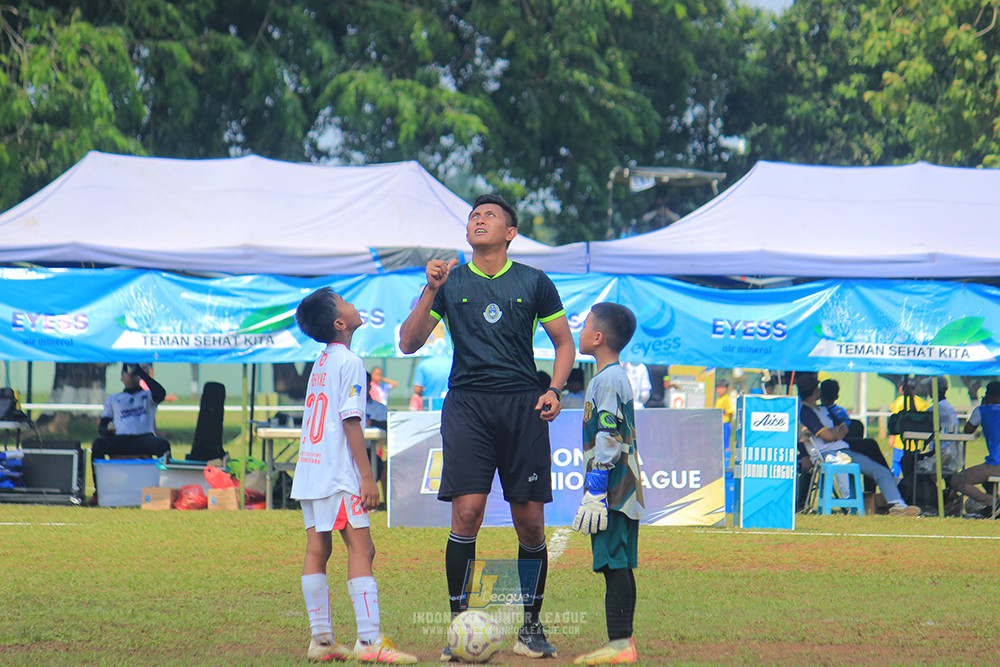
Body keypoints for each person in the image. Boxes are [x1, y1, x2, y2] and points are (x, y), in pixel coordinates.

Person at [398, 193, 575, 661]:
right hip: (468, 407)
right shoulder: (451, 282)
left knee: (530, 523)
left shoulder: (535, 281)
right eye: (474, 215)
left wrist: (554, 389)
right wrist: (430, 289)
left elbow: (564, 344)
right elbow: (409, 342)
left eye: (489, 215)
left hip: (523, 407)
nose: (479, 220)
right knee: (467, 515)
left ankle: (531, 629)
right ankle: (459, 630)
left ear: (510, 232)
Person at [291, 287, 416, 664]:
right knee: (363, 548)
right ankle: (369, 642)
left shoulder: (322, 360)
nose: (352, 304)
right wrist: (366, 476)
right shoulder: (349, 361)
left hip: (311, 470)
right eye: (345, 302)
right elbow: (351, 421)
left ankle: (322, 641)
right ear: (340, 323)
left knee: (318, 550)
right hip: (337, 474)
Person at [571, 303, 644, 665]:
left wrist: (597, 489)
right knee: (616, 562)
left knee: (614, 561)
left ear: (597, 337)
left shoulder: (609, 380)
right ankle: (621, 642)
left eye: (584, 325)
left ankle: (620, 645)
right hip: (615, 485)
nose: (579, 331)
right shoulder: (606, 378)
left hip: (614, 487)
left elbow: (610, 435)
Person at [797, 375, 920, 516]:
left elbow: (844, 429)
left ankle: (899, 506)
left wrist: (834, 433)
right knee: (844, 472)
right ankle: (852, 508)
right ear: (814, 391)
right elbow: (830, 436)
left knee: (880, 471)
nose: (820, 390)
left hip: (843, 450)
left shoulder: (823, 408)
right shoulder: (805, 412)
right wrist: (835, 433)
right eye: (817, 387)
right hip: (826, 455)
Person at [90, 363, 171, 501]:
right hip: (121, 440)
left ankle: (164, 489)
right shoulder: (114, 399)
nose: (131, 375)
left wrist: (141, 372)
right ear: (121, 378)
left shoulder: (148, 396)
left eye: (134, 373)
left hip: (144, 439)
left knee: (163, 446)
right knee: (98, 445)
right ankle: (100, 490)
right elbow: (102, 427)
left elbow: (161, 393)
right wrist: (107, 431)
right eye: (127, 372)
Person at [951, 381, 1000, 516]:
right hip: (993, 464)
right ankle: (994, 508)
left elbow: (968, 431)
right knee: (986, 480)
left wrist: (982, 406)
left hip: (996, 464)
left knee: (957, 480)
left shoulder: (982, 411)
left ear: (987, 396)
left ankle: (992, 501)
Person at [888, 377, 931, 476]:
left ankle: (894, 480)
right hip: (916, 441)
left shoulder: (899, 401)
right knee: (913, 463)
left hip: (900, 440)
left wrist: (891, 436)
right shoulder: (921, 402)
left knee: (897, 462)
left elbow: (894, 420)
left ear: (902, 388)